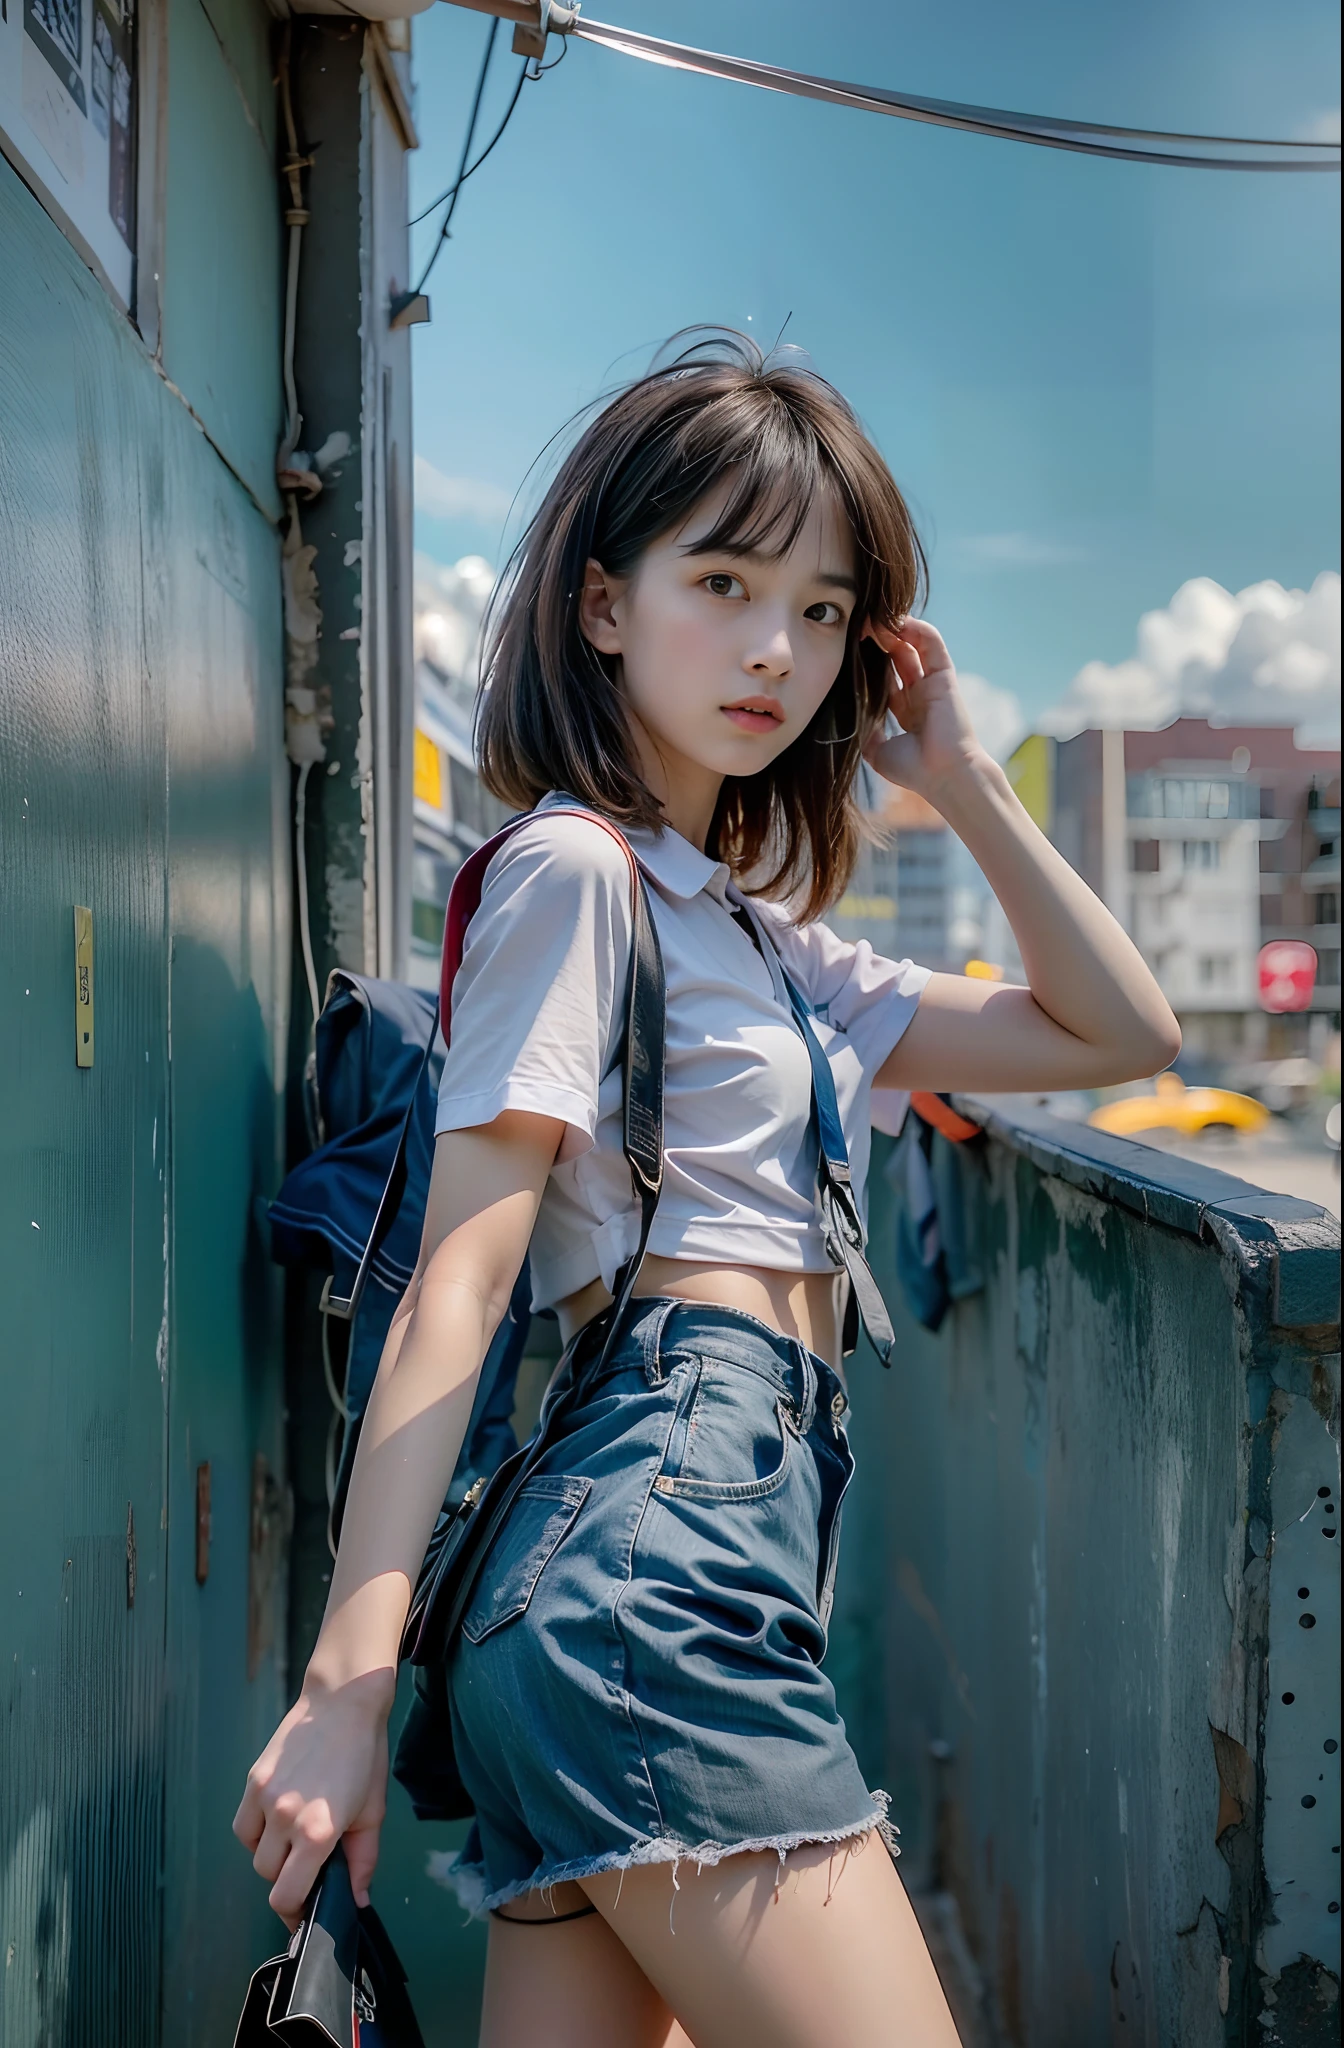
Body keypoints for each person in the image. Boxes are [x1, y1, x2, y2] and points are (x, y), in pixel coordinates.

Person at [234, 335, 1180, 2047]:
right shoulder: (573, 875)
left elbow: (1118, 1027)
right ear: (602, 605)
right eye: (726, 581)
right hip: (652, 1557)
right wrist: (342, 1686)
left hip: (681, 1549)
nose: (777, 649)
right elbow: (464, 1282)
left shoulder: (757, 940)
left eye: (824, 611)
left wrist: (955, 775)